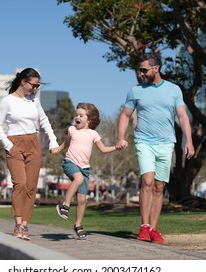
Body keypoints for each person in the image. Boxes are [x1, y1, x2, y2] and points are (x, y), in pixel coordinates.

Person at [116, 53, 194, 244]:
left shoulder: (174, 90)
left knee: (159, 186)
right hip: (144, 141)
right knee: (148, 181)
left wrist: (189, 141)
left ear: (156, 68)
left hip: (166, 143)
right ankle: (144, 226)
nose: (141, 73)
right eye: (140, 70)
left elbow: (183, 116)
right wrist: (120, 137)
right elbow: (125, 115)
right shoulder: (135, 91)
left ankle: (153, 228)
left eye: (144, 70)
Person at [0, 68, 59, 241]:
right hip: (14, 143)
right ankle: (17, 224)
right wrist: (9, 145)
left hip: (33, 143)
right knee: (20, 184)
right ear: (23, 81)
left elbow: (44, 120)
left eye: (38, 86)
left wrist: (53, 140)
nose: (35, 89)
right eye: (33, 85)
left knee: (30, 186)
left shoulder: (34, 100)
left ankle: (24, 225)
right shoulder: (7, 101)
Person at [52, 102, 121, 240]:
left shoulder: (93, 134)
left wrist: (116, 147)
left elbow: (103, 149)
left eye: (81, 115)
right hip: (70, 162)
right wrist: (58, 149)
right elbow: (67, 142)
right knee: (78, 179)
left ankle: (78, 225)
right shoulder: (72, 129)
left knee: (82, 199)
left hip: (84, 168)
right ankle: (64, 205)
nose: (77, 117)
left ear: (89, 120)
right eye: (76, 114)